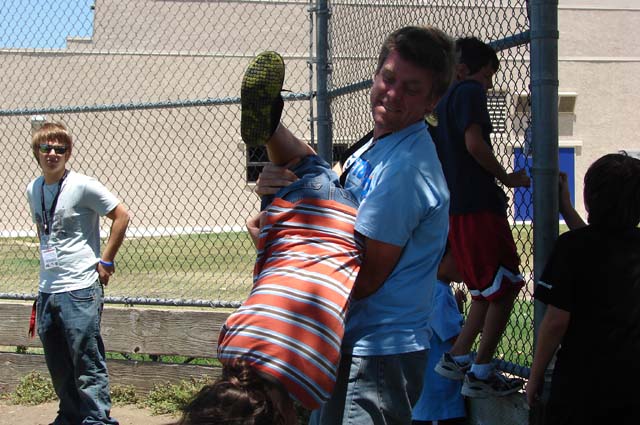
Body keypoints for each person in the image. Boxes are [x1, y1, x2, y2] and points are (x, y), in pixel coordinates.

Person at [257, 26, 456, 425]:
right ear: (375, 75)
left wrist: (284, 255)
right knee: (314, 175)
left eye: (411, 88)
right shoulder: (377, 144)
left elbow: (365, 278)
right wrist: (278, 186)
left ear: (432, 100)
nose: (393, 94)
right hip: (350, 337)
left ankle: (270, 127)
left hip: (378, 351)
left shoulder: (406, 169)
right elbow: (331, 193)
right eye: (389, 78)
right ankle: (269, 124)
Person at [178, 51, 361, 425]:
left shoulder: (313, 385)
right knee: (303, 168)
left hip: (343, 225)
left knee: (320, 175)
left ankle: (277, 131)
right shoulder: (229, 345)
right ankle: (271, 129)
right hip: (283, 221)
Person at [431, 36, 530, 398]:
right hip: (479, 205)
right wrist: (507, 178)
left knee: (485, 290)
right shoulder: (469, 92)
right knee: (505, 287)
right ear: (463, 70)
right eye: (487, 75)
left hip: (460, 207)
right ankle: (481, 370)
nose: (488, 85)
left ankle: (459, 357)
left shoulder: (442, 102)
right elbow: (475, 144)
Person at [26, 122, 130, 425]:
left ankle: (96, 419)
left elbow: (121, 216)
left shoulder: (83, 185)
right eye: (46, 148)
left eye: (60, 148)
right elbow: (45, 231)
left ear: (68, 153)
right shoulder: (33, 189)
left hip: (80, 288)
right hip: (48, 289)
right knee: (58, 363)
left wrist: (106, 261)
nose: (53, 153)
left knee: (86, 360)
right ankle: (70, 416)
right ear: (37, 152)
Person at [526, 152, 640, 425]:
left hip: (581, 385)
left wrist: (535, 376)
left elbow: (556, 321)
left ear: (589, 198)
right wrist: (567, 209)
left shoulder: (572, 247)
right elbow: (606, 248)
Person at [411, 280, 466, 425]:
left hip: (425, 395)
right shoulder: (440, 291)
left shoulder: (423, 285)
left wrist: (455, 309)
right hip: (439, 400)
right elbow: (457, 340)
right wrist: (480, 320)